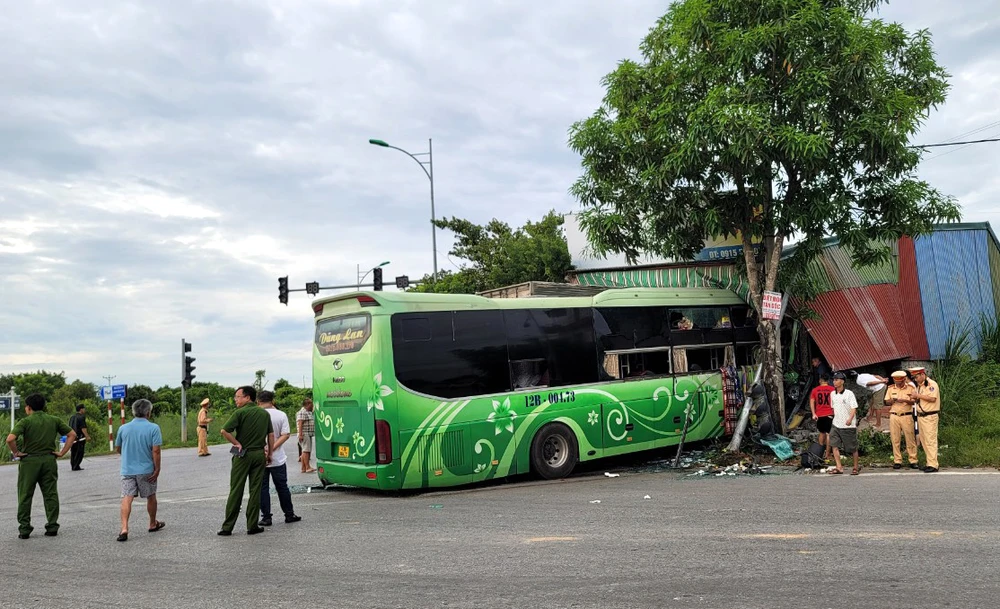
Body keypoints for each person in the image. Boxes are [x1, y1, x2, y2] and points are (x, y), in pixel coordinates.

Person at [5, 393, 75, 539]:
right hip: (49, 460)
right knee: (50, 493)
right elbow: (72, 434)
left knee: (25, 495)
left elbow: (10, 439)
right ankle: (52, 526)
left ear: (28, 407)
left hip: (29, 461)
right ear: (43, 406)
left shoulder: (25, 422)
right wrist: (62, 452)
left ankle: (24, 529)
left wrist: (16, 452)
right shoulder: (54, 420)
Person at [218, 385, 275, 536]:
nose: (236, 400)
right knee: (255, 490)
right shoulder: (264, 414)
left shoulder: (240, 413)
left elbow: (224, 430)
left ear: (247, 397)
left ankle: (227, 527)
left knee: (236, 489)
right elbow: (270, 435)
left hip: (243, 454)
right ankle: (252, 525)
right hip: (259, 454)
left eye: (238, 397)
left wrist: (236, 443)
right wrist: (269, 453)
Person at [114, 398, 164, 542]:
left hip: (127, 470)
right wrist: (157, 469)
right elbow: (156, 451)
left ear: (134, 412)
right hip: (146, 470)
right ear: (148, 412)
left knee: (126, 498)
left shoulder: (123, 428)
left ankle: (124, 528)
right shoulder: (153, 428)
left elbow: (118, 448)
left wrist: (128, 455)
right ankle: (152, 523)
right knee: (151, 496)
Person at [257, 391, 301, 527]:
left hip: (260, 457)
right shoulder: (281, 414)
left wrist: (265, 449)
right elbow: (286, 434)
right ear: (272, 400)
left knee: (262, 488)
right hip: (278, 458)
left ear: (258, 401)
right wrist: (272, 448)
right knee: (282, 487)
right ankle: (289, 514)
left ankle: (266, 517)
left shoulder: (255, 414)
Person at [884, 371, 919, 470]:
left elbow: (915, 401)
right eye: (896, 382)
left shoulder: (911, 388)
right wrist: (893, 400)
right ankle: (897, 460)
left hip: (906, 415)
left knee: (910, 439)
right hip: (894, 415)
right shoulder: (891, 388)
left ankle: (913, 460)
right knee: (895, 439)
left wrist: (905, 400)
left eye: (900, 382)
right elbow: (886, 402)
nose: (898, 384)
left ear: (904, 379)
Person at [909, 367, 941, 473]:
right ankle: (929, 462)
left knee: (930, 440)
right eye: (914, 378)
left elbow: (932, 399)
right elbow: (921, 399)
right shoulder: (920, 386)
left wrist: (918, 395)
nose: (916, 379)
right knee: (924, 440)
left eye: (917, 377)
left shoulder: (931, 385)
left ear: (923, 374)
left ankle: (933, 464)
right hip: (921, 416)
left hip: (930, 416)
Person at [828, 372, 860, 475]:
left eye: (837, 380)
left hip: (848, 425)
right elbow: (833, 408)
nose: (834, 382)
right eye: (834, 380)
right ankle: (839, 467)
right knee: (834, 445)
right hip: (836, 423)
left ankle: (855, 467)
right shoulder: (832, 394)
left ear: (842, 381)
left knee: (852, 448)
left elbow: (853, 407)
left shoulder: (849, 394)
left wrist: (850, 419)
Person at [809, 374, 835, 461]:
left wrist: (813, 413)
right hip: (830, 414)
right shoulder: (832, 389)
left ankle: (819, 453)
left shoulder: (815, 390)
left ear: (820, 380)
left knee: (821, 432)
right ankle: (827, 454)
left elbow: (812, 402)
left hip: (819, 414)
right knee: (829, 434)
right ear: (828, 381)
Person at [68, 404, 92, 471]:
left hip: (72, 437)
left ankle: (73, 465)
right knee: (79, 452)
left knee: (73, 452)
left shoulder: (72, 417)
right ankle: (76, 466)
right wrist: (87, 436)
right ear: (81, 409)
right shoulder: (81, 417)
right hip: (80, 438)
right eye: (84, 408)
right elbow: (83, 428)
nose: (84, 410)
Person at [297, 398, 316, 473]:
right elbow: (300, 423)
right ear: (307, 404)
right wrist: (301, 434)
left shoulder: (308, 412)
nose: (312, 406)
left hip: (308, 433)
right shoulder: (303, 412)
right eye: (311, 404)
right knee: (306, 450)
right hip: (305, 433)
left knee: (305, 450)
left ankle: (303, 468)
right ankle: (307, 467)